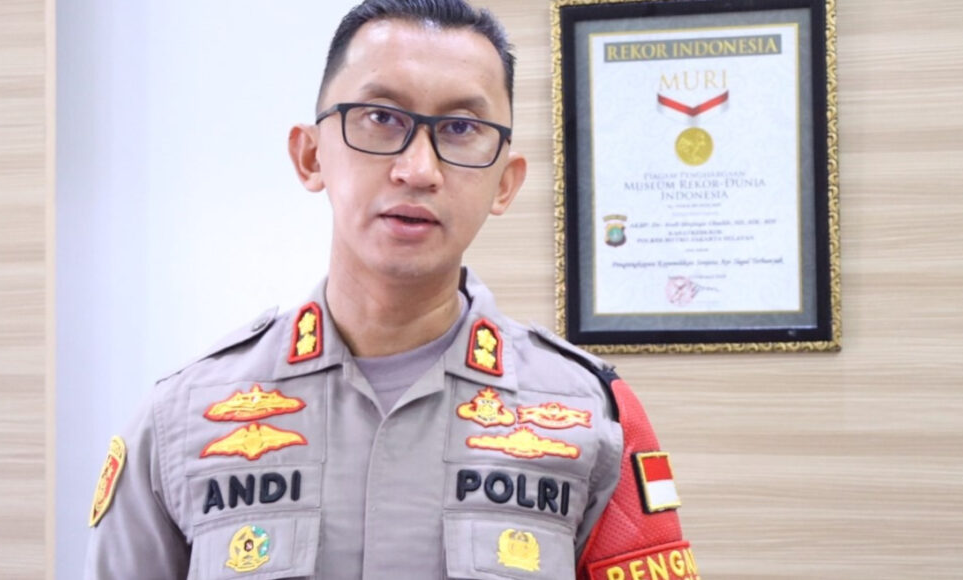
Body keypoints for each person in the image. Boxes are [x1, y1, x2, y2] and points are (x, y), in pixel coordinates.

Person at [84, 1, 699, 578]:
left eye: (460, 128)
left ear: (505, 183)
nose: (418, 169)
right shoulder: (180, 420)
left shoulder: (593, 418)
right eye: (381, 118)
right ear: (310, 156)